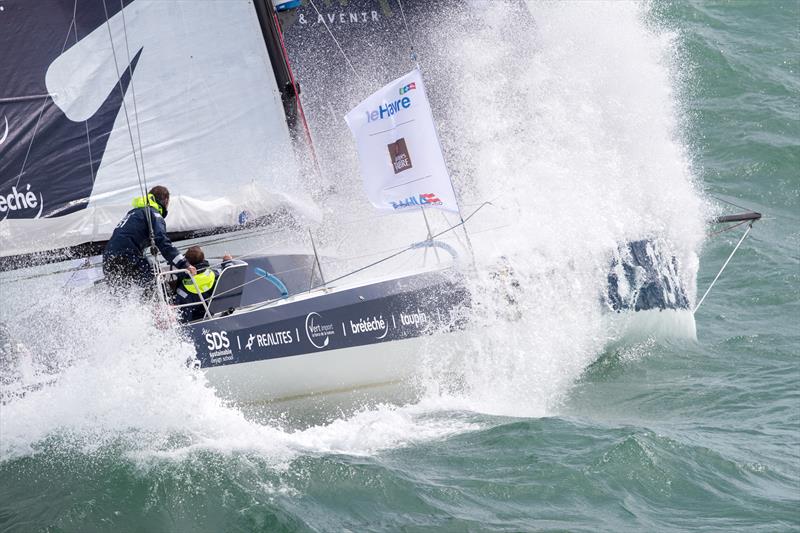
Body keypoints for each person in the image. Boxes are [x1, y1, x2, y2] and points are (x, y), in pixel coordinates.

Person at [102, 185, 195, 291]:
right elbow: (163, 242)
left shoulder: (133, 213)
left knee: (121, 294)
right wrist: (184, 264)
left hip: (108, 258)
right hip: (128, 255)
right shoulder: (154, 215)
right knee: (155, 285)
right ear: (165, 200)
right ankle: (158, 306)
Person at [173, 246, 235, 322]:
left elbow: (180, 309)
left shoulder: (182, 288)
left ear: (187, 262)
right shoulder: (214, 274)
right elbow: (229, 274)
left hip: (194, 320)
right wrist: (227, 261)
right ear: (203, 260)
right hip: (213, 313)